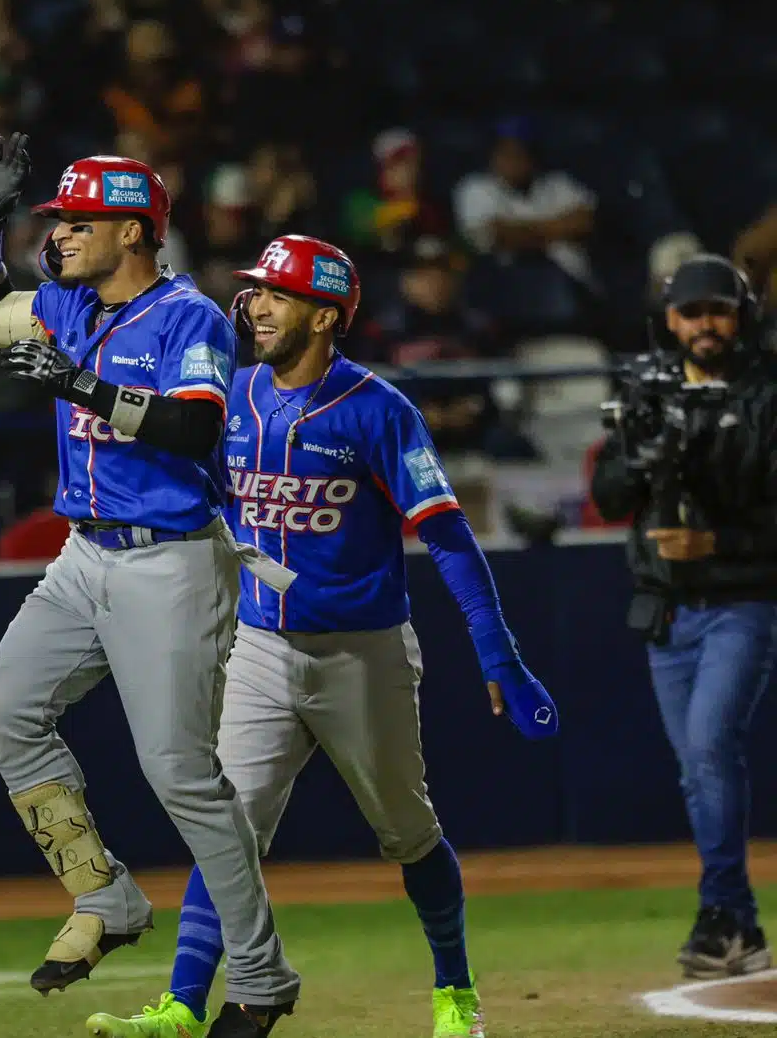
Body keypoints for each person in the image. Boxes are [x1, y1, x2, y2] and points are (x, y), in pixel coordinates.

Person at [84, 236, 558, 1038]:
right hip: (261, 649)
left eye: (276, 294)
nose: (255, 306)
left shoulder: (379, 409)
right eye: (254, 292)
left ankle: (455, 995)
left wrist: (498, 652)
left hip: (361, 655)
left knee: (408, 835)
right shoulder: (227, 397)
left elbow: (448, 536)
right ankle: (181, 1006)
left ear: (326, 313)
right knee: (224, 831)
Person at [0, 134, 299, 1038]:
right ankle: (103, 895)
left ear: (136, 232)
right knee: (4, 711)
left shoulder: (190, 316)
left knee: (181, 774)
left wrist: (84, 385)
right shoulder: (67, 302)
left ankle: (262, 977)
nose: (60, 234)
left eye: (78, 221)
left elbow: (193, 430)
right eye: (55, 218)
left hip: (172, 560)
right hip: (83, 556)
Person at [589, 253, 777, 980]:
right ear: (670, 320)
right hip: (667, 607)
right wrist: (642, 460)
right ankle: (739, 927)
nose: (706, 325)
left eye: (719, 311)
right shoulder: (646, 390)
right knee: (699, 770)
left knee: (708, 747)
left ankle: (720, 910)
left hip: (742, 601)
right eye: (693, 313)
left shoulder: (766, 392)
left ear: (741, 316)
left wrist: (718, 540)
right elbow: (608, 497)